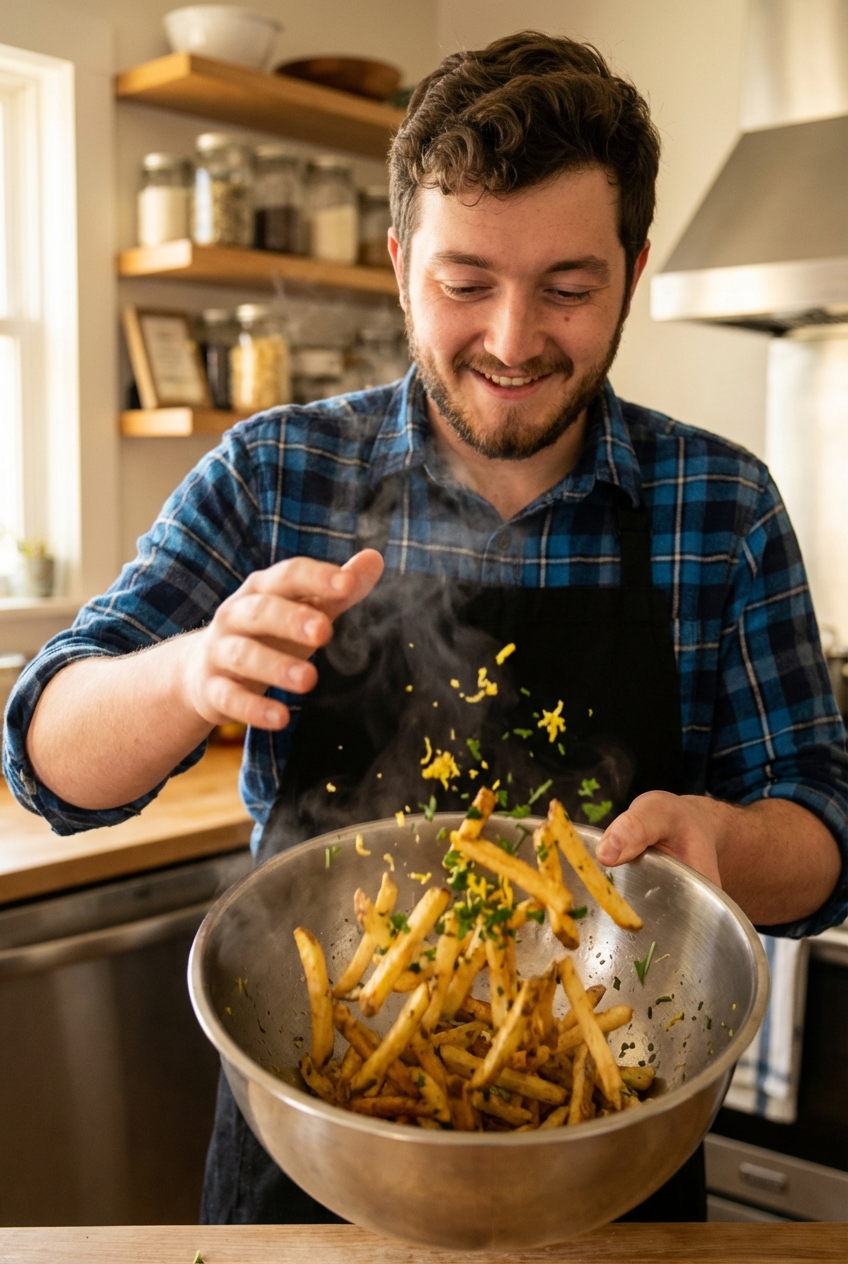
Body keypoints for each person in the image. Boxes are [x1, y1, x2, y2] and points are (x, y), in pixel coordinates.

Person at [4, 31, 846, 1225]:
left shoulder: (719, 507)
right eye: (464, 285)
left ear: (633, 267)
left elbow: (824, 829)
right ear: (401, 265)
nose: (510, 341)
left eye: (567, 287)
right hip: (313, 1144)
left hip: (605, 1156)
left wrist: (726, 843)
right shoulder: (273, 474)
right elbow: (44, 757)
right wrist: (191, 671)